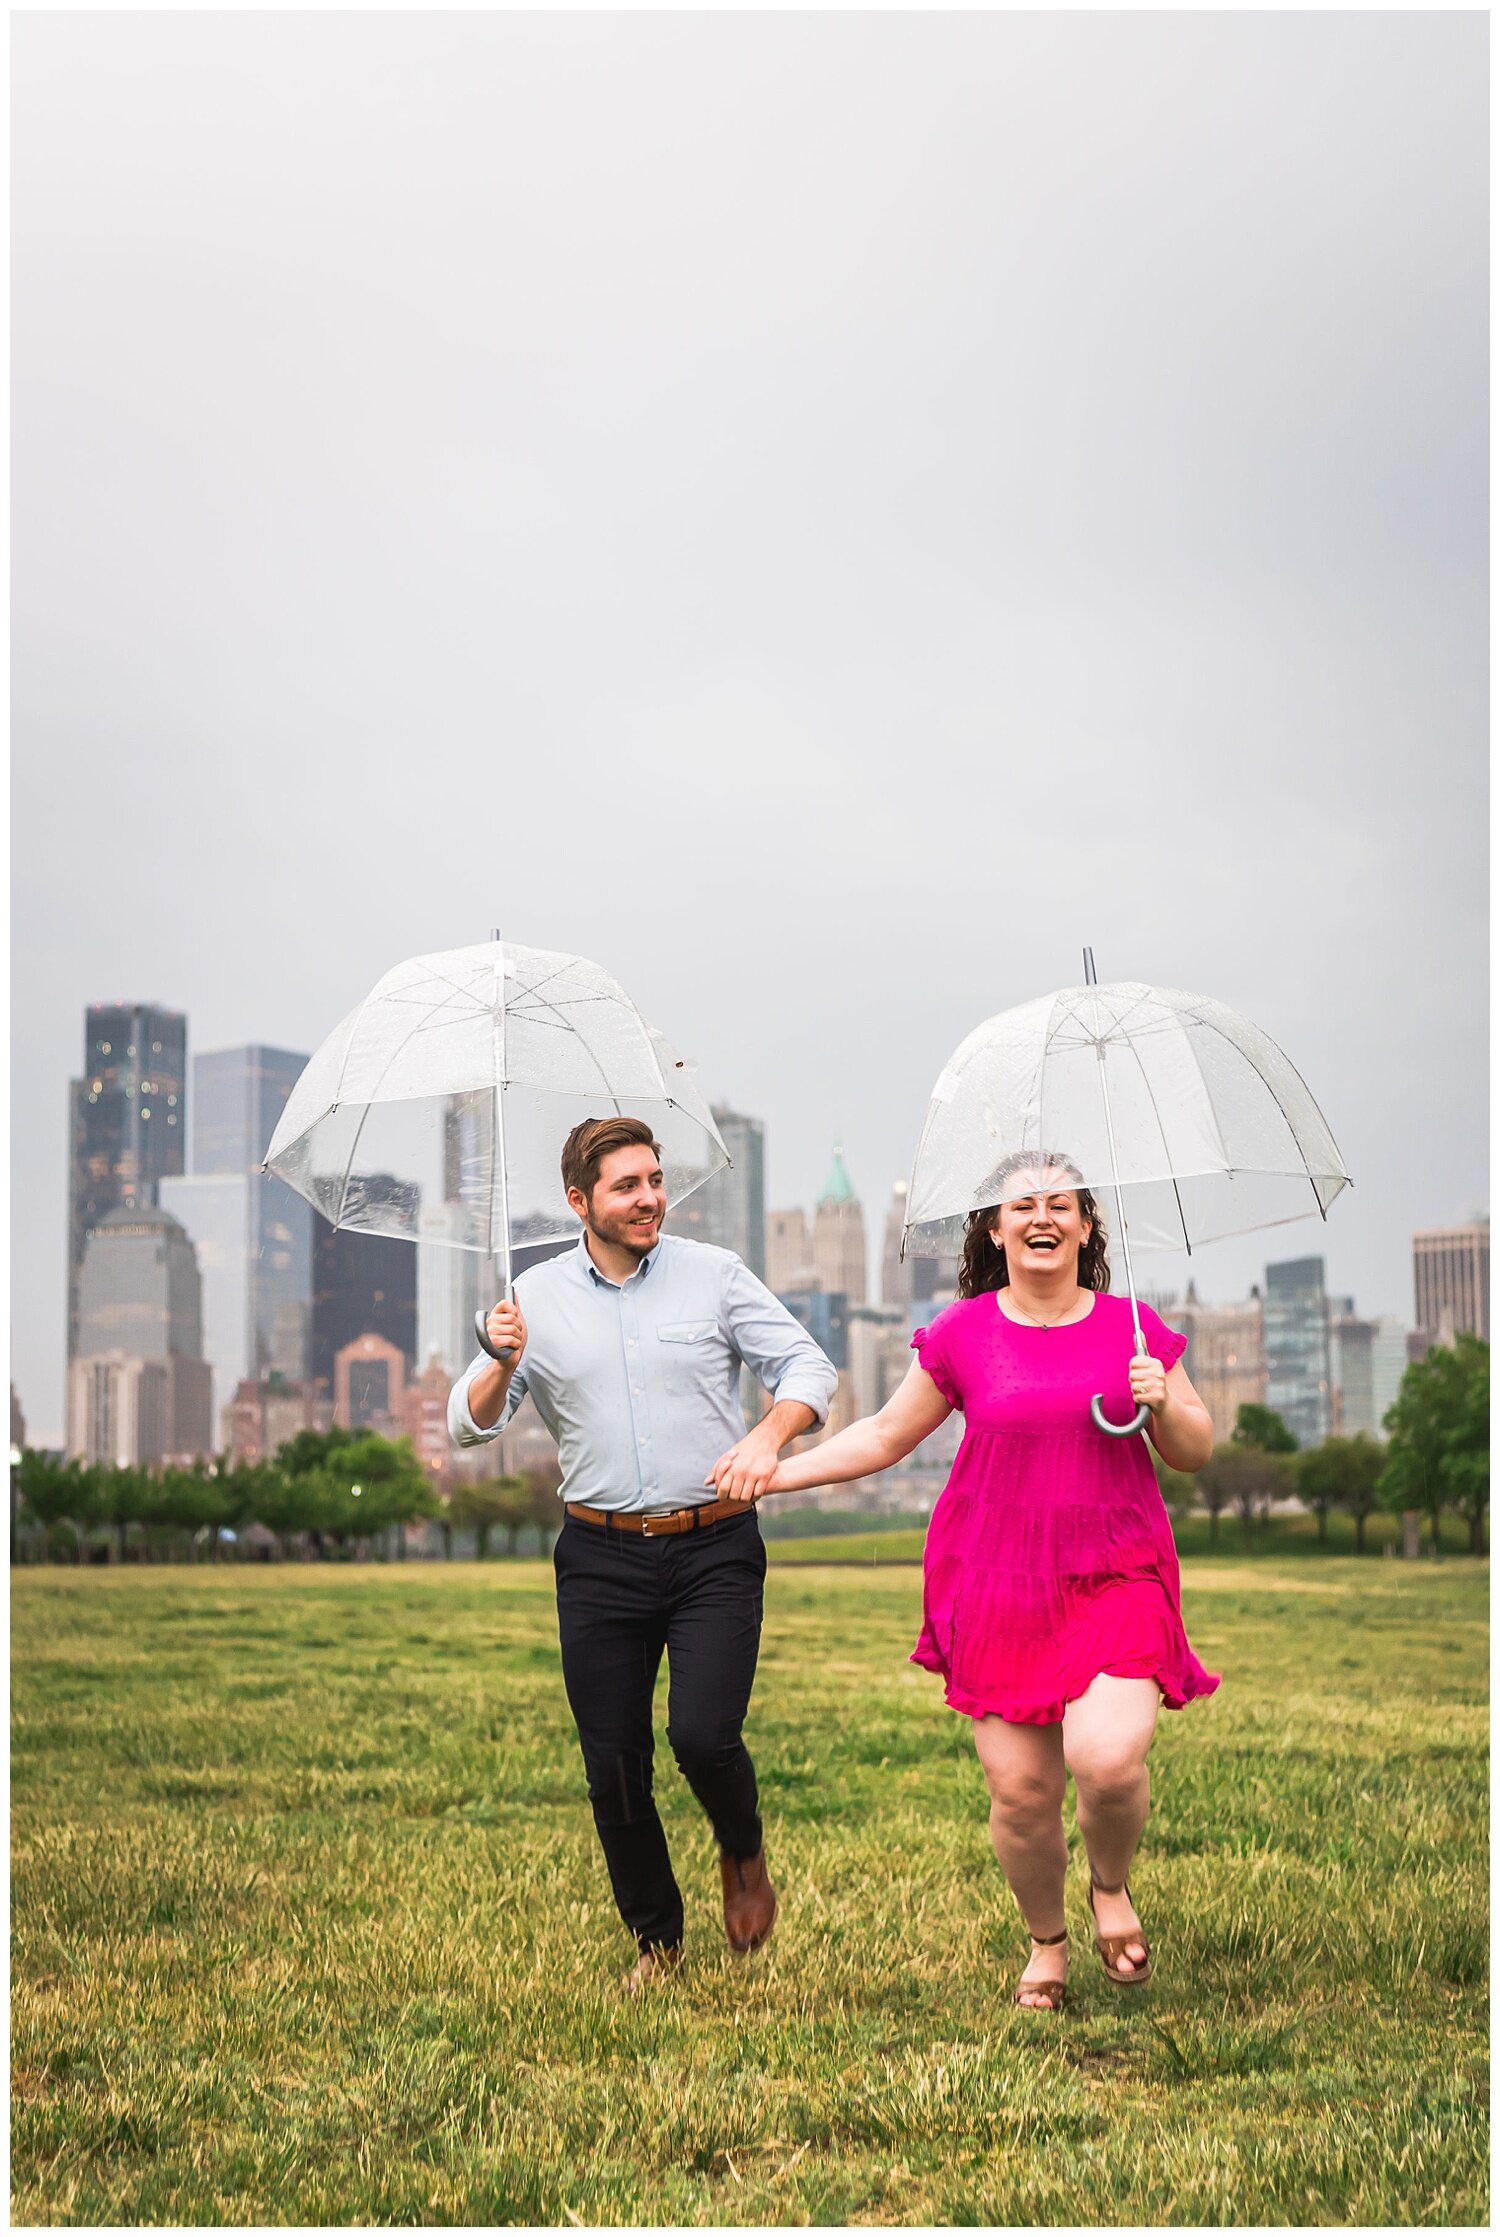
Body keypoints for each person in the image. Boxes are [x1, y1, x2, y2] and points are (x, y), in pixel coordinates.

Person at [752, 1153, 1217, 2013]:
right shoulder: (965, 1330)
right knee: (1023, 1790)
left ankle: (1109, 1884)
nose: (1043, 1217)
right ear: (996, 1230)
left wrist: (1168, 1404)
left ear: (1084, 1225)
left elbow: (1192, 1449)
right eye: (1022, 1205)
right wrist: (775, 1470)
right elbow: (887, 1434)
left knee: (1107, 1760)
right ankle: (1047, 1940)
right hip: (997, 1579)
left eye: (1061, 1204)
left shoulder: (1136, 1328)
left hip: (1117, 1569)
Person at [448, 1115, 837, 1993]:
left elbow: (810, 1370)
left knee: (703, 1736)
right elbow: (466, 1426)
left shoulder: (714, 1275)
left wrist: (770, 1436)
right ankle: (656, 1941)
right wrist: (499, 1361)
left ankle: (742, 1849)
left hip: (714, 1547)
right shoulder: (530, 1301)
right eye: (628, 1185)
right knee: (612, 1760)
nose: (651, 1197)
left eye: (655, 1179)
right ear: (579, 1201)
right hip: (598, 1555)